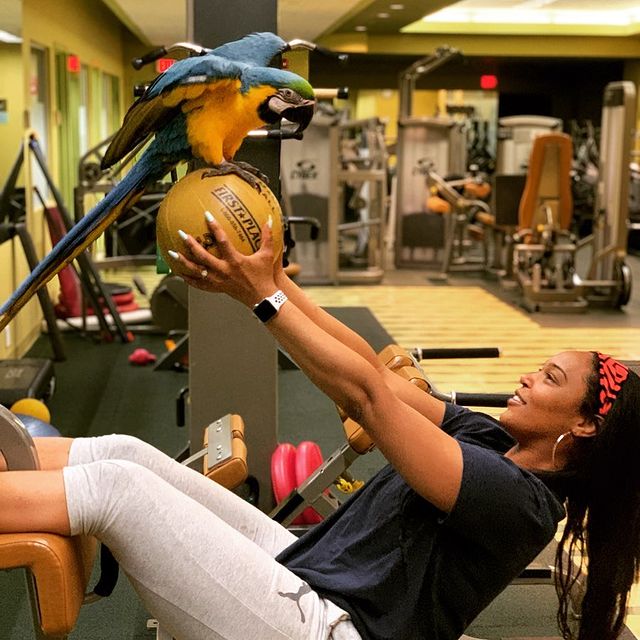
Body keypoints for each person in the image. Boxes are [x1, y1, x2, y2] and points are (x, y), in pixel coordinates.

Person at [1, 211, 639, 640]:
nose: (528, 378)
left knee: (118, 489)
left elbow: (369, 401)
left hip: (329, 626)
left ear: (582, 429)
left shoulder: (521, 505)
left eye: (550, 379)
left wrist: (263, 299)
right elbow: (376, 372)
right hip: (308, 567)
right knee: (128, 453)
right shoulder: (490, 436)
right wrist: (271, 280)